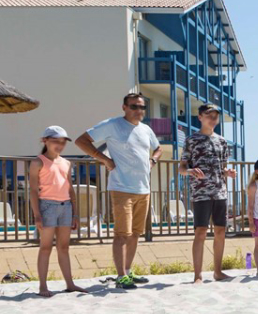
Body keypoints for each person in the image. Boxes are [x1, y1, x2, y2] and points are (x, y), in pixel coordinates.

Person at [75, 93, 162, 290]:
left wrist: (153, 160)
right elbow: (81, 141)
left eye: (141, 107)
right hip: (121, 188)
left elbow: (158, 149)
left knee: (135, 234)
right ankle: (121, 276)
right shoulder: (112, 125)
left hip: (144, 189)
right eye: (134, 107)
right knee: (122, 234)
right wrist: (104, 159)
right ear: (124, 107)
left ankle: (129, 271)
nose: (138, 111)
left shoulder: (146, 129)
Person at [27, 126, 86, 297]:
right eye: (55, 141)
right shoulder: (38, 162)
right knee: (45, 247)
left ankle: (70, 283)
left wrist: (75, 213)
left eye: (62, 142)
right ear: (45, 141)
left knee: (64, 247)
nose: (59, 145)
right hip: (47, 206)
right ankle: (43, 286)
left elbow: (70, 189)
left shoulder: (66, 163)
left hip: (65, 206)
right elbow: (33, 190)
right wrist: (37, 214)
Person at [180, 104, 235, 284]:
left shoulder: (222, 141)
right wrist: (190, 171)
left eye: (215, 116)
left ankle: (218, 272)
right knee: (201, 232)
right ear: (200, 117)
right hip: (200, 192)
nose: (212, 119)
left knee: (220, 231)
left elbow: (223, 166)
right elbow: (182, 167)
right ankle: (197, 275)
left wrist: (228, 172)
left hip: (220, 191)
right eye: (209, 115)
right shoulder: (191, 140)